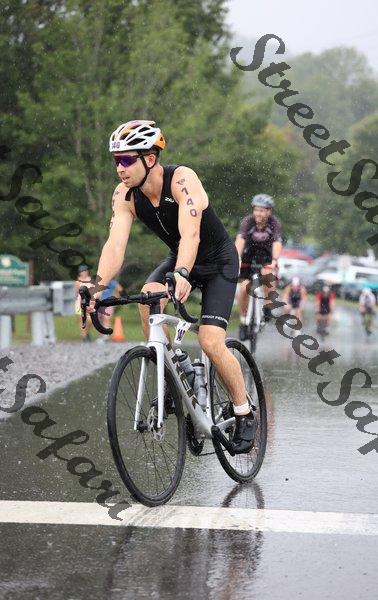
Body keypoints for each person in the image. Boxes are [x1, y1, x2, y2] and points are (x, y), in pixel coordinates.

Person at [87, 118, 257, 453]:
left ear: (150, 158)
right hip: (180, 259)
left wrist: (182, 272)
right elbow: (115, 245)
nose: (120, 168)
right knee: (146, 299)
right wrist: (96, 287)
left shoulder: (182, 179)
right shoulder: (124, 195)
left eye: (127, 159)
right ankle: (177, 372)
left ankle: (244, 412)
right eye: (116, 160)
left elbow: (191, 234)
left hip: (217, 262)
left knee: (210, 341)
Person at [235, 194, 282, 341]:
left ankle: (267, 307)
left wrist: (274, 260)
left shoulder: (274, 223)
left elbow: (277, 242)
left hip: (266, 257)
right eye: (256, 210)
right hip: (248, 257)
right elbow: (240, 240)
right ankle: (243, 321)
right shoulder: (247, 222)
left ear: (269, 212)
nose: (258, 213)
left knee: (269, 278)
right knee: (244, 288)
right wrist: (237, 258)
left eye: (261, 210)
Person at [96, 278, 124, 343]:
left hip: (108, 303)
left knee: (106, 319)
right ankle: (101, 336)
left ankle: (105, 336)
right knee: (100, 320)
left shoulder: (112, 282)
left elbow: (120, 289)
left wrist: (117, 299)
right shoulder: (101, 282)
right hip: (100, 303)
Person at [75, 264, 93, 342]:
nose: (84, 273)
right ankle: (84, 336)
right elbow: (77, 292)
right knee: (83, 320)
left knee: (90, 320)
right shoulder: (78, 281)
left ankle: (88, 332)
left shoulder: (90, 280)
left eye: (85, 271)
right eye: (83, 271)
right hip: (80, 302)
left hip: (89, 302)